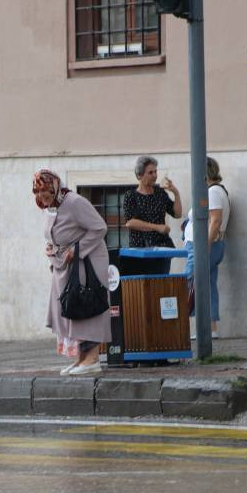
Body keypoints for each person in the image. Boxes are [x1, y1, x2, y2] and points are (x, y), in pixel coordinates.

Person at [35, 169, 112, 376]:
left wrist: (75, 250)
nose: (42, 196)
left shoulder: (75, 202)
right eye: (38, 192)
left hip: (88, 262)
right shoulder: (49, 207)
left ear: (56, 186)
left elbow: (99, 228)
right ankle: (81, 359)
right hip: (66, 264)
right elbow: (55, 234)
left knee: (87, 305)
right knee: (72, 309)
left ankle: (92, 358)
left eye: (46, 191)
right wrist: (52, 247)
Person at [183, 157, 230, 339]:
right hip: (210, 244)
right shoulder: (216, 191)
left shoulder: (212, 192)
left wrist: (205, 246)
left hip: (203, 246)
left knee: (191, 283)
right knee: (207, 285)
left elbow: (216, 220)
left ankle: (191, 328)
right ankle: (210, 329)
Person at [123, 155, 182, 275]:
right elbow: (130, 222)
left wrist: (176, 193)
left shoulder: (160, 193)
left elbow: (177, 214)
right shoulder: (131, 195)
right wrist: (157, 227)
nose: (155, 175)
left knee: (160, 285)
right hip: (140, 249)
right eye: (150, 172)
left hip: (161, 248)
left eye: (156, 171)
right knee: (144, 287)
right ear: (140, 175)